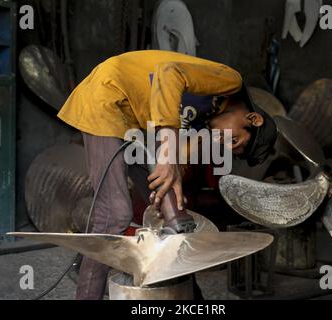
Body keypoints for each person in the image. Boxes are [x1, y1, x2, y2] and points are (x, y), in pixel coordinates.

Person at [57, 50, 277, 300]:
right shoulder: (230, 81)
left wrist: (175, 179)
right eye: (234, 139)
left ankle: (193, 300)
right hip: (108, 95)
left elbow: (175, 157)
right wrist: (168, 157)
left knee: (175, 218)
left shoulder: (205, 119)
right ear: (253, 118)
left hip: (133, 121)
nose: (225, 144)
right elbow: (169, 72)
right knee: (114, 215)